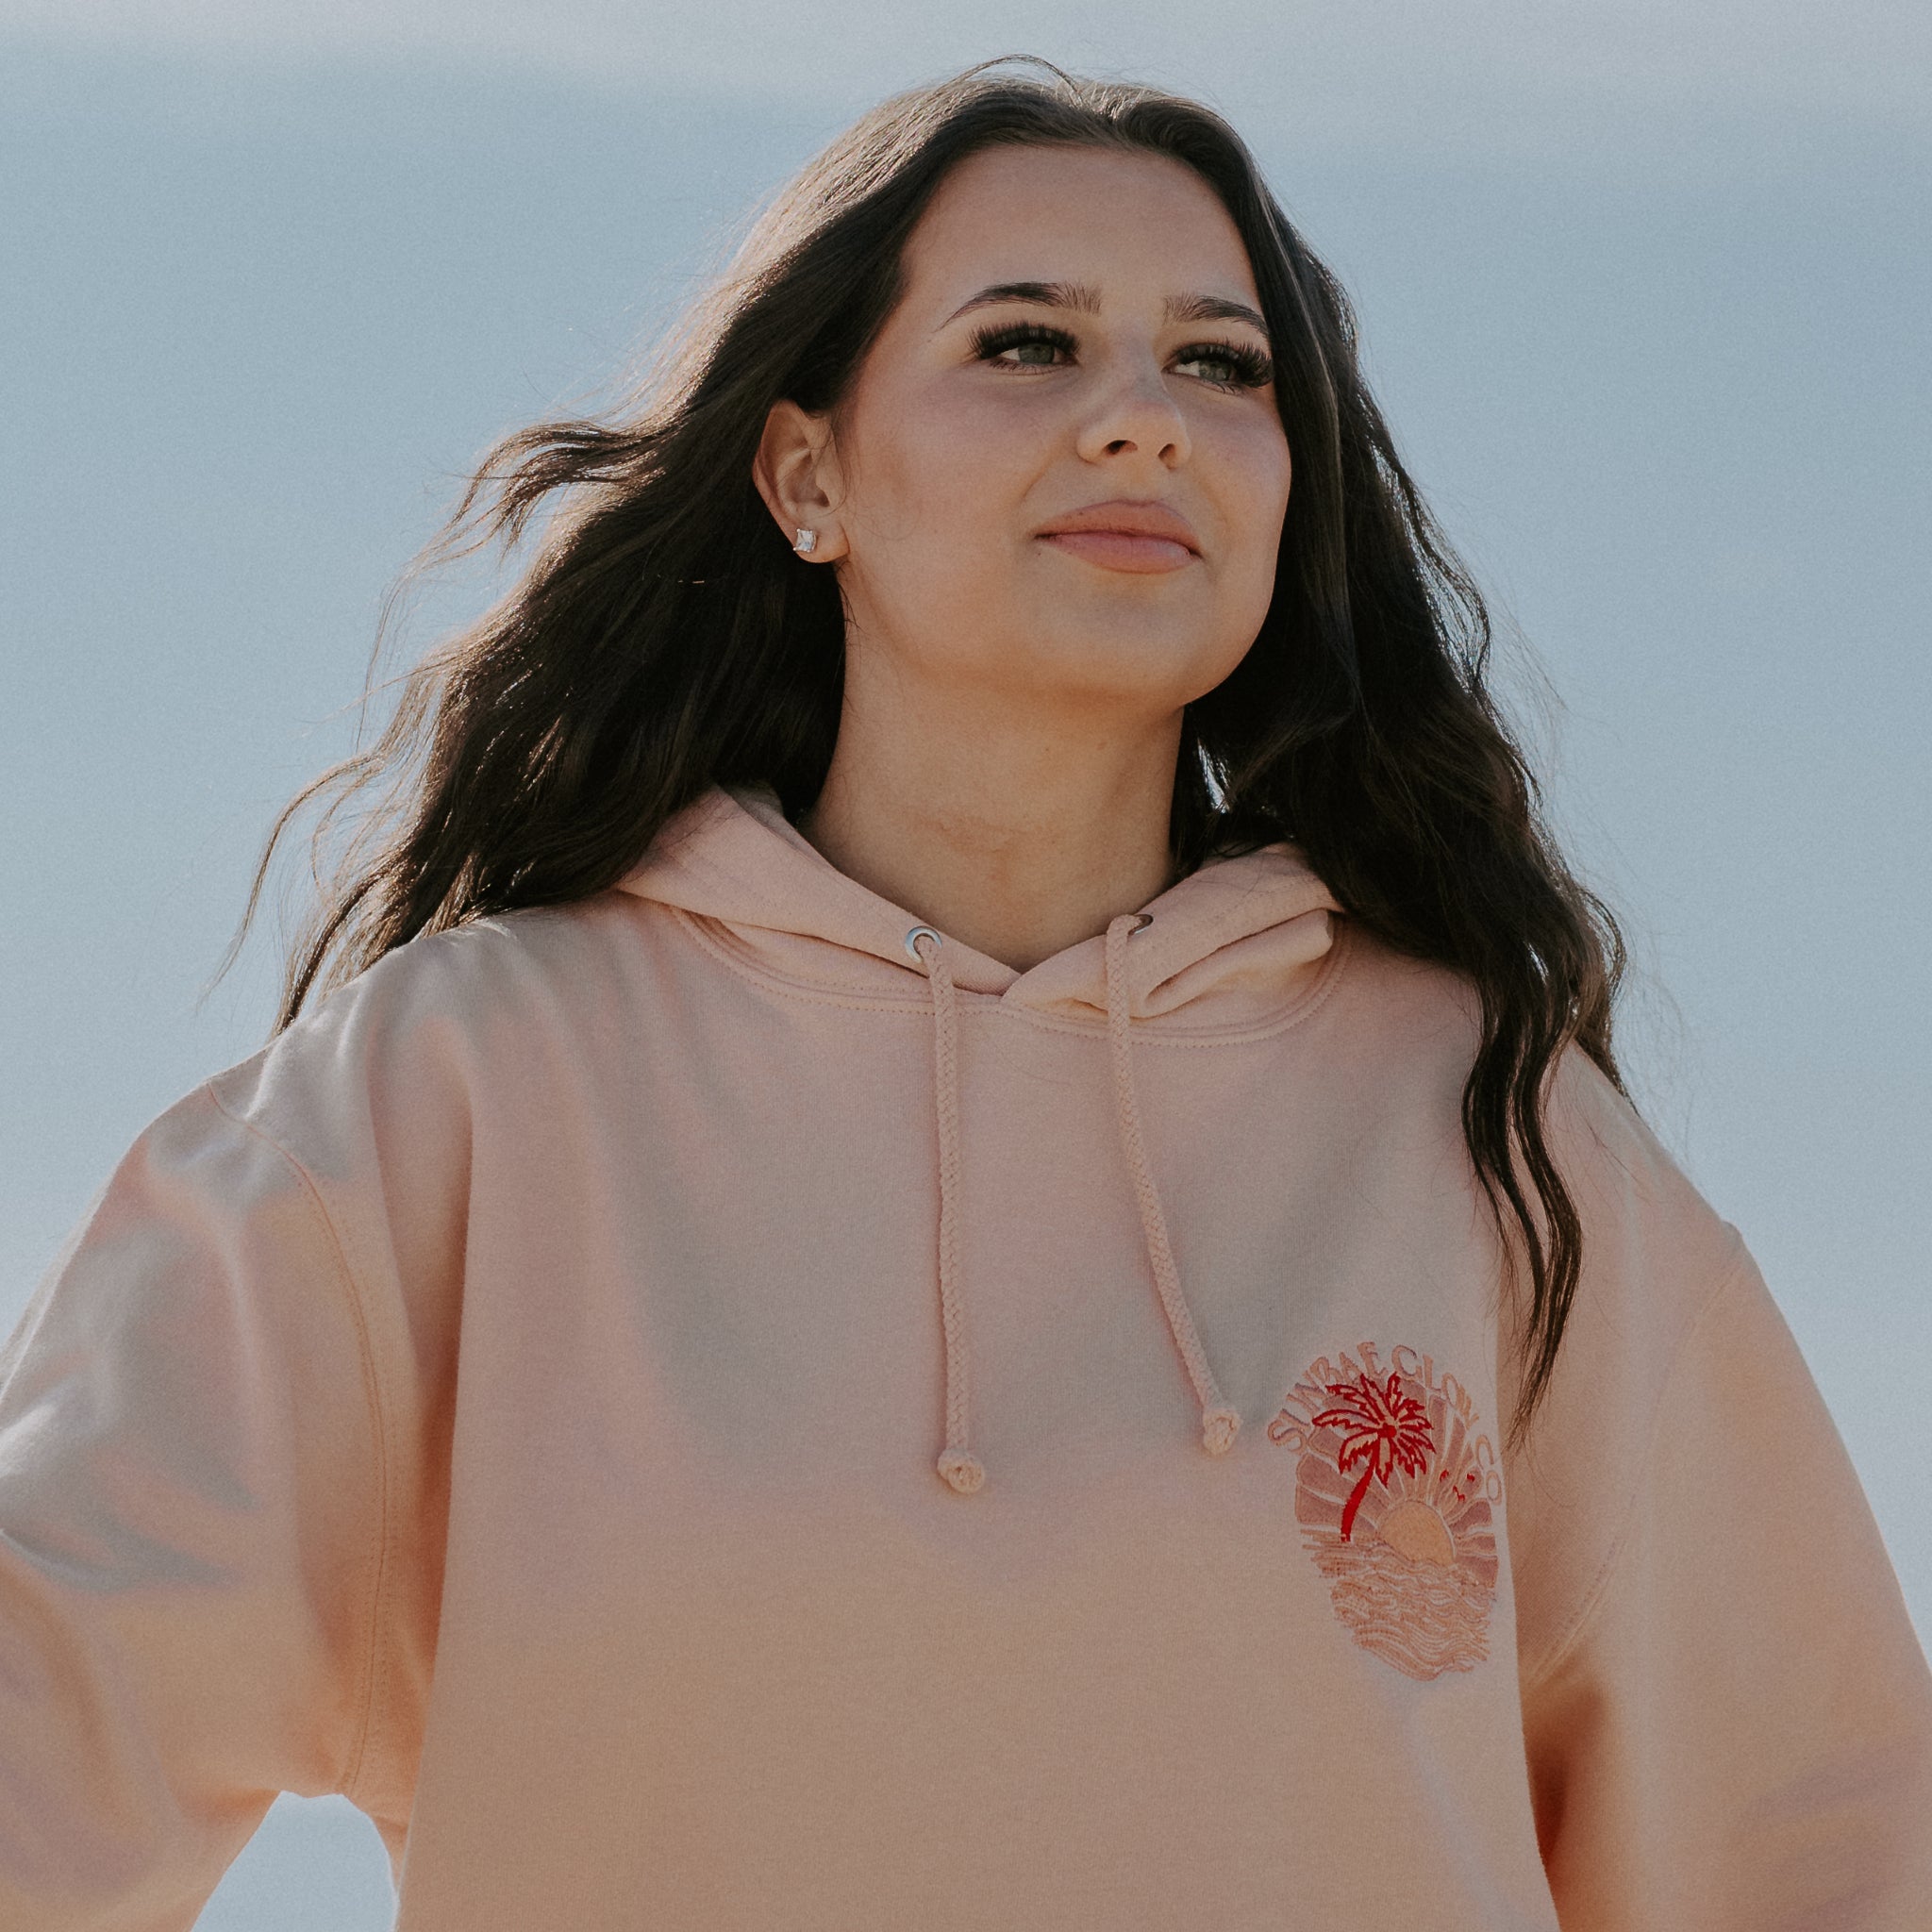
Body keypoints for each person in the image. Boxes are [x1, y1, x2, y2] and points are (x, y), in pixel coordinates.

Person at [2, 56, 1926, 1932]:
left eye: (1221, 364)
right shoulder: (464, 1091)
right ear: (805, 468)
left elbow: (1815, 1844)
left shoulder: (1486, 1129)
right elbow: (52, 1695)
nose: (1140, 417)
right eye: (1027, 343)